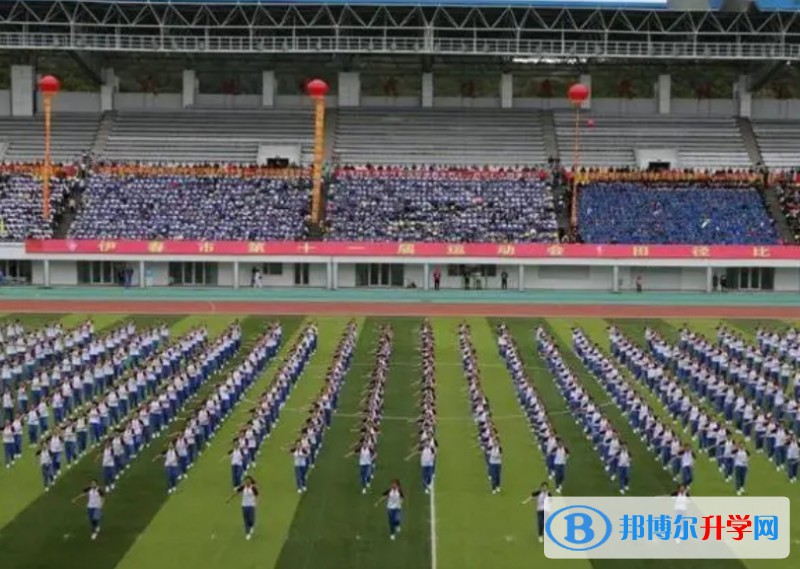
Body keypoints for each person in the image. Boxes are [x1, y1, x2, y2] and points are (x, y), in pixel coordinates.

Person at [227, 476, 259, 540]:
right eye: (246, 481)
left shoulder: (253, 488)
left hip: (251, 505)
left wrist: (256, 502)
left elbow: (257, 495)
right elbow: (236, 493)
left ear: (250, 481)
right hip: (244, 505)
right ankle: (247, 533)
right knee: (246, 519)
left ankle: (251, 526)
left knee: (251, 519)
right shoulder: (243, 487)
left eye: (248, 481)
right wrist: (229, 498)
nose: (247, 482)